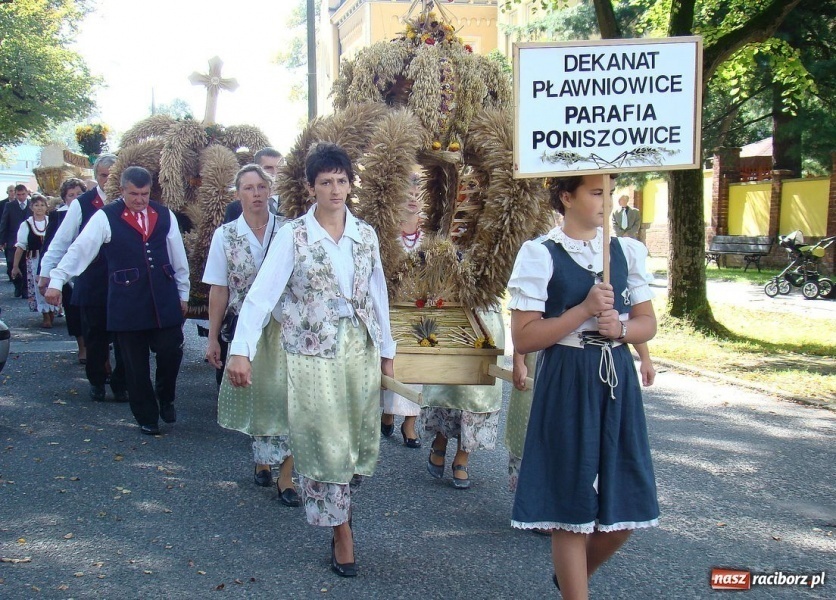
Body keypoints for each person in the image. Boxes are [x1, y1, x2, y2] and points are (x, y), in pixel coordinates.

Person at [226, 143, 395, 577]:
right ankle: (342, 533)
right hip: (312, 355)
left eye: (341, 180)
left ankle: (341, 510)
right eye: (325, 182)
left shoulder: (366, 235)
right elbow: (262, 294)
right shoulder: (294, 235)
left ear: (351, 184)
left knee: (354, 445)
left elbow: (378, 294)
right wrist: (241, 349)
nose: (335, 190)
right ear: (310, 187)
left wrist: (388, 352)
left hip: (359, 351)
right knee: (326, 442)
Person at [507, 174, 659, 599]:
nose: (606, 201)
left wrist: (622, 330)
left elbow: (647, 323)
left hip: (616, 379)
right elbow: (525, 337)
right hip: (567, 377)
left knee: (626, 507)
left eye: (609, 192)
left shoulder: (626, 251)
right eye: (596, 192)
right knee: (569, 506)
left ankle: (571, 576)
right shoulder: (541, 253)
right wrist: (584, 310)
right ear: (566, 196)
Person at [46, 166, 190, 435]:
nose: (140, 199)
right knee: (135, 363)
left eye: (145, 194)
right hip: (127, 302)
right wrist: (56, 279)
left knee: (171, 350)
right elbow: (79, 250)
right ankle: (146, 415)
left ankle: (166, 396)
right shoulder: (105, 217)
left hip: (163, 297)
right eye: (134, 194)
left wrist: (183, 293)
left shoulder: (164, 214)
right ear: (122, 190)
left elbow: (177, 257)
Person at [203, 164, 300, 506]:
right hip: (249, 330)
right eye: (249, 187)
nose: (256, 194)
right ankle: (262, 457)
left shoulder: (288, 229)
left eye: (262, 187)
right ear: (238, 194)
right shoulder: (226, 235)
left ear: (271, 191)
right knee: (261, 396)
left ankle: (287, 476)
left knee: (291, 398)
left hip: (288, 327)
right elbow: (219, 288)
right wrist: (212, 338)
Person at [39, 154, 128, 403]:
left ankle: (122, 383)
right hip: (93, 280)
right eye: (103, 175)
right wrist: (47, 273)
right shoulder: (82, 203)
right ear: (96, 176)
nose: (108, 180)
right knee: (95, 336)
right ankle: (97, 380)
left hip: (124, 283)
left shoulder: (130, 202)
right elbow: (62, 241)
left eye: (113, 175)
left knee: (126, 338)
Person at [420, 310, 505, 490]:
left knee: (477, 391)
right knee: (449, 385)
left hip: (486, 315)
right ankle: (440, 439)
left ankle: (463, 456)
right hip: (453, 310)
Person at [380, 169, 422, 448]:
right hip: (391, 305)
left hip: (420, 306)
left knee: (418, 362)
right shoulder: (385, 233)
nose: (414, 197)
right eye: (408, 191)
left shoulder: (430, 234)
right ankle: (388, 410)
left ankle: (410, 422)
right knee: (392, 359)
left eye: (419, 192)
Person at [42, 178, 88, 362]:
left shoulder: (92, 211)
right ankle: (82, 347)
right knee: (73, 308)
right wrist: (44, 272)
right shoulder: (57, 216)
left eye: (79, 194)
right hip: (66, 271)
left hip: (88, 268)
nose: (75, 198)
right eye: (71, 195)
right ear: (64, 198)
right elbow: (51, 244)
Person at [11, 195, 57, 327]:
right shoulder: (26, 224)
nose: (39, 208)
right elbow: (21, 246)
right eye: (36, 205)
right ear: (31, 207)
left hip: (52, 259)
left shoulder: (52, 221)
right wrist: (15, 266)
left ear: (47, 207)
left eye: (42, 205)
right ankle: (45, 314)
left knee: (53, 283)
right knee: (39, 285)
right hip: (35, 259)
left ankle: (53, 310)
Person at [223, 148, 283, 223]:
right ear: (256, 169)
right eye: (268, 168)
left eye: (280, 168)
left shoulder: (293, 204)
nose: (275, 172)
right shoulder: (235, 208)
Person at [0, 184, 32, 297]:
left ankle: (25, 289)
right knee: (11, 264)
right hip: (12, 239)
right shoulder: (9, 206)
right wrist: (2, 240)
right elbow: (4, 223)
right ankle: (17, 285)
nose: (21, 197)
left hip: (29, 240)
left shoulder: (32, 205)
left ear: (27, 193)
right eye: (18, 194)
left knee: (25, 265)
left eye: (23, 194)